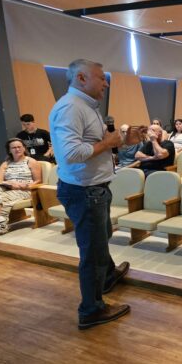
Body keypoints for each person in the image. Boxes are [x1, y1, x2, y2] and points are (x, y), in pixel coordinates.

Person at [49, 59, 130, 330]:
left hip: (95, 188)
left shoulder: (87, 107)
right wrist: (108, 142)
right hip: (84, 191)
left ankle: (107, 276)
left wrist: (122, 141)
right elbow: (71, 154)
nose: (106, 83)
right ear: (81, 78)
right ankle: (91, 309)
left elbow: (93, 146)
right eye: (101, 77)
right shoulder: (71, 108)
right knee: (92, 251)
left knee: (101, 238)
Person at [0, 138, 43, 238]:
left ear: (24, 148)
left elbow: (38, 180)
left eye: (19, 147)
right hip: (8, 188)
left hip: (25, 190)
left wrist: (25, 185)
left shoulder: (31, 162)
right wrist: (10, 183)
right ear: (9, 150)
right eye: (13, 147)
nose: (17, 149)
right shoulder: (5, 164)